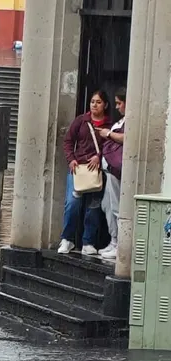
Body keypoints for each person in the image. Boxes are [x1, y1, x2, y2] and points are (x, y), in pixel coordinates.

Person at [58, 90, 113, 255]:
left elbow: (111, 147)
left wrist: (99, 156)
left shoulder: (110, 125)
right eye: (92, 102)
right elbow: (68, 141)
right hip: (78, 169)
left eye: (98, 102)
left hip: (96, 171)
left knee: (94, 206)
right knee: (72, 204)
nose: (94, 105)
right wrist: (71, 159)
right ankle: (67, 239)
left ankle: (88, 241)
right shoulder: (81, 121)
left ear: (105, 105)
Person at [97, 87, 127, 259]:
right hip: (109, 171)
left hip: (116, 171)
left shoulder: (129, 121)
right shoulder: (120, 121)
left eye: (119, 103)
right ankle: (113, 241)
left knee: (116, 207)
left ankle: (119, 244)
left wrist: (108, 134)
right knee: (107, 205)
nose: (117, 107)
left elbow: (126, 138)